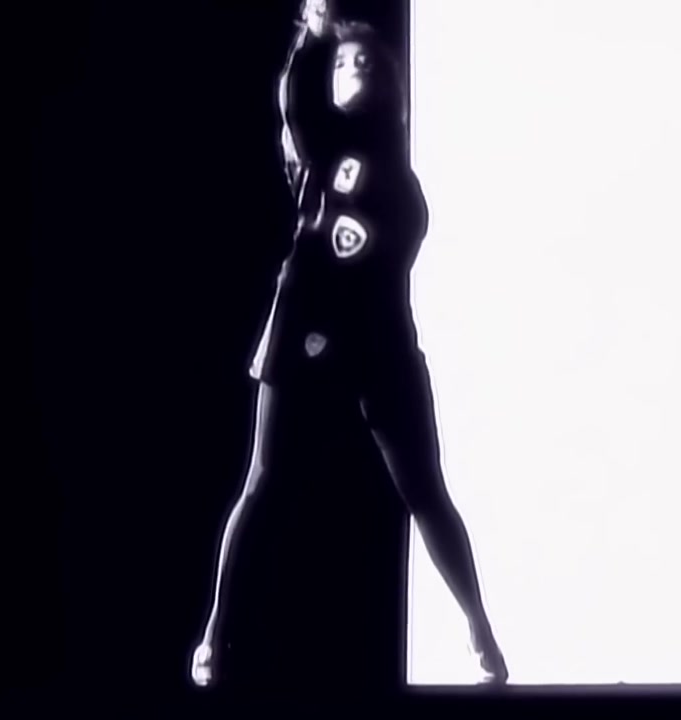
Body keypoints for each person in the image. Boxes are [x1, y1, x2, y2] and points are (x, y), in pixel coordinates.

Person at [190, 4, 510, 687]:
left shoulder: (398, 172)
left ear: (391, 85)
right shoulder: (317, 147)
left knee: (425, 488)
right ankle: (216, 635)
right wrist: (315, 30)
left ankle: (479, 629)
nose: (357, 68)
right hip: (307, 322)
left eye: (368, 62)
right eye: (345, 63)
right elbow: (295, 96)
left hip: (382, 336)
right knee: (264, 481)